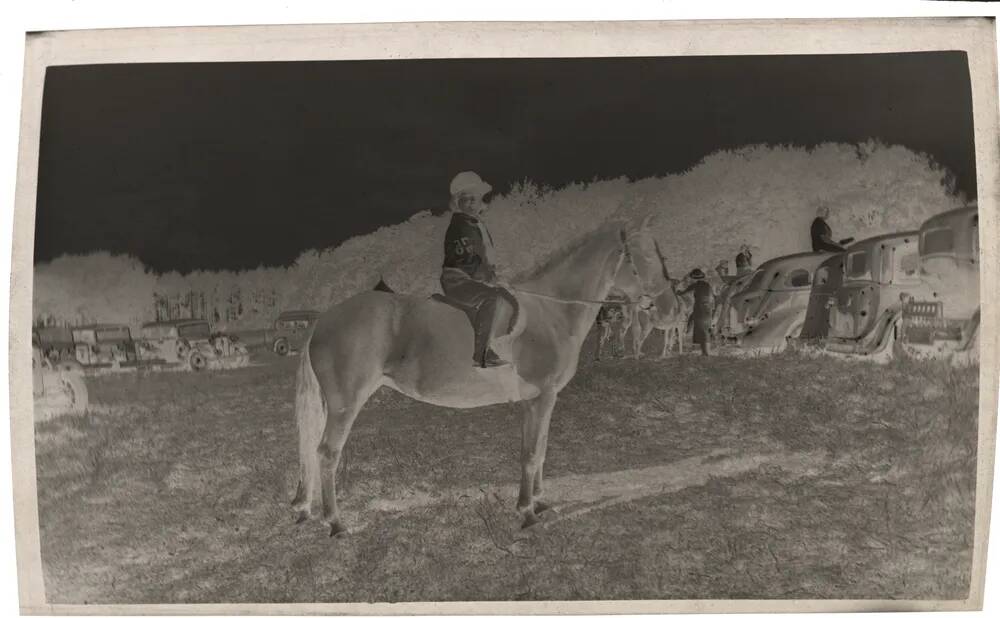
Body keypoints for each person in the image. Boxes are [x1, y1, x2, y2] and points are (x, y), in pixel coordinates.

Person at [440, 171, 516, 368]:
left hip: (473, 279)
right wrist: (488, 277)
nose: (472, 203)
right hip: (457, 281)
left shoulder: (475, 224)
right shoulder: (459, 226)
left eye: (475, 198)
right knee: (491, 298)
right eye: (466, 199)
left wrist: (496, 274)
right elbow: (466, 259)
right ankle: (481, 355)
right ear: (457, 202)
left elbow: (485, 254)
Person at [679, 269, 714, 356]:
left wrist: (677, 292)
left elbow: (682, 293)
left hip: (699, 308)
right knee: (705, 330)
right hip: (708, 309)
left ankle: (705, 353)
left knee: (700, 330)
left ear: (694, 278)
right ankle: (706, 352)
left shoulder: (695, 285)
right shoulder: (708, 285)